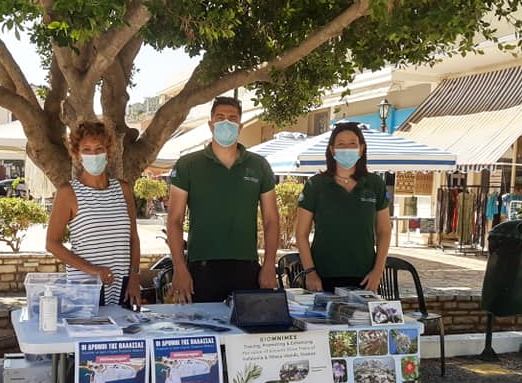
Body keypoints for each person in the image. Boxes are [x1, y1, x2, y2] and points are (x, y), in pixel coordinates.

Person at [167, 96, 279, 303]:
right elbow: (174, 220)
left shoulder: (259, 165)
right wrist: (179, 268)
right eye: (220, 118)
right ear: (211, 125)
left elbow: (271, 220)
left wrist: (270, 265)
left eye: (232, 118)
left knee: (247, 325)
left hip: (247, 267)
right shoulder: (188, 165)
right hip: (201, 268)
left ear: (240, 126)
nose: (226, 123)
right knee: (201, 324)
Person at [45, 119, 141, 307]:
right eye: (86, 150)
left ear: (108, 152)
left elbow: (133, 239)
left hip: (122, 284)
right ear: (77, 154)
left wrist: (135, 277)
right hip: (85, 286)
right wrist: (93, 270)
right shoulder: (68, 192)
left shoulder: (123, 189)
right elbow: (52, 243)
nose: (93, 155)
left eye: (99, 149)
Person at [295, 121, 392, 292]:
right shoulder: (315, 185)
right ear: (332, 150)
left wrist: (378, 271)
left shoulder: (375, 184)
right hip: (322, 277)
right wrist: (310, 272)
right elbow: (301, 234)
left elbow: (384, 230)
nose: (347, 148)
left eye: (353, 143)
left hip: (365, 277)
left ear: (361, 149)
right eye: (341, 144)